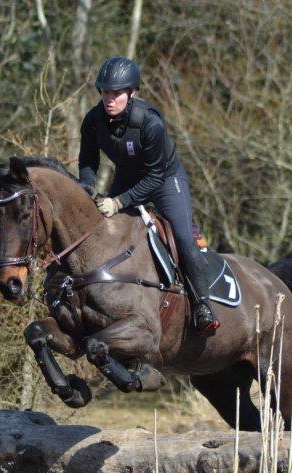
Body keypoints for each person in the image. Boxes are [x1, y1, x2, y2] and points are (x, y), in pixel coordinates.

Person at [77, 56, 220, 335]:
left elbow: (154, 178)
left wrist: (119, 201)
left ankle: (203, 305)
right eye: (105, 92)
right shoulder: (93, 121)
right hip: (128, 176)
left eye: (116, 93)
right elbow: (87, 162)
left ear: (132, 93)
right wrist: (87, 189)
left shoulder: (149, 123)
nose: (109, 98)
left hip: (165, 179)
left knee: (181, 236)